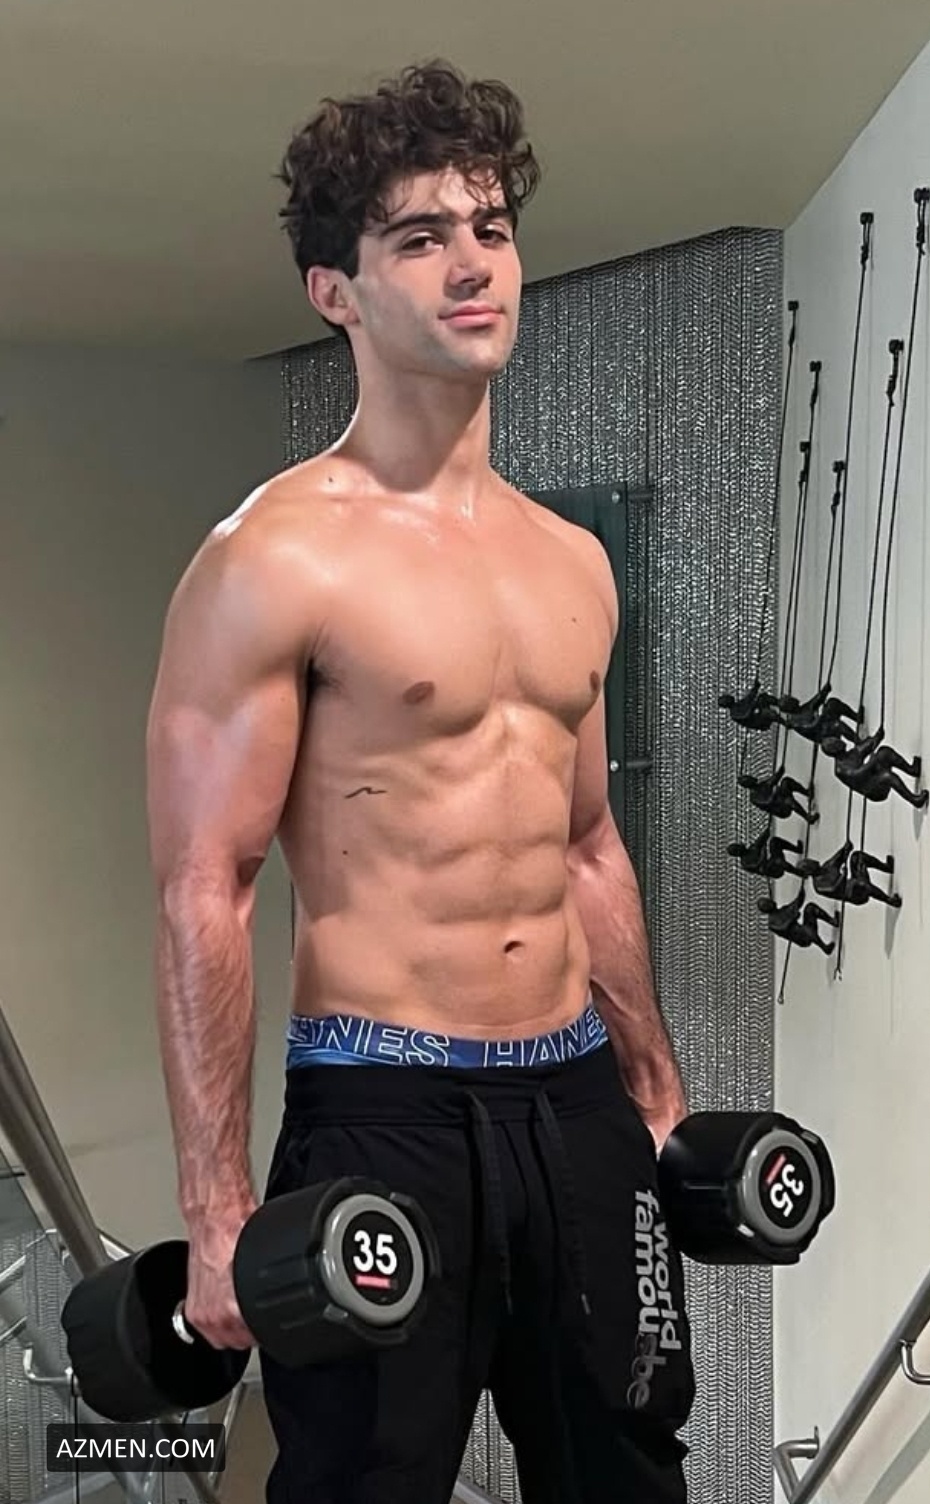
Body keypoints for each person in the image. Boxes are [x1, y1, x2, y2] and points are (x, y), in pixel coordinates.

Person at [145, 58, 695, 1504]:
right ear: (334, 290)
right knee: (361, 1484)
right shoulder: (275, 558)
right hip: (380, 1105)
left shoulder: (571, 561)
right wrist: (215, 1202)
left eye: (491, 228)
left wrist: (653, 1085)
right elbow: (207, 884)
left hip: (575, 1099)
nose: (472, 265)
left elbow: (587, 844)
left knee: (633, 1466)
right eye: (420, 237)